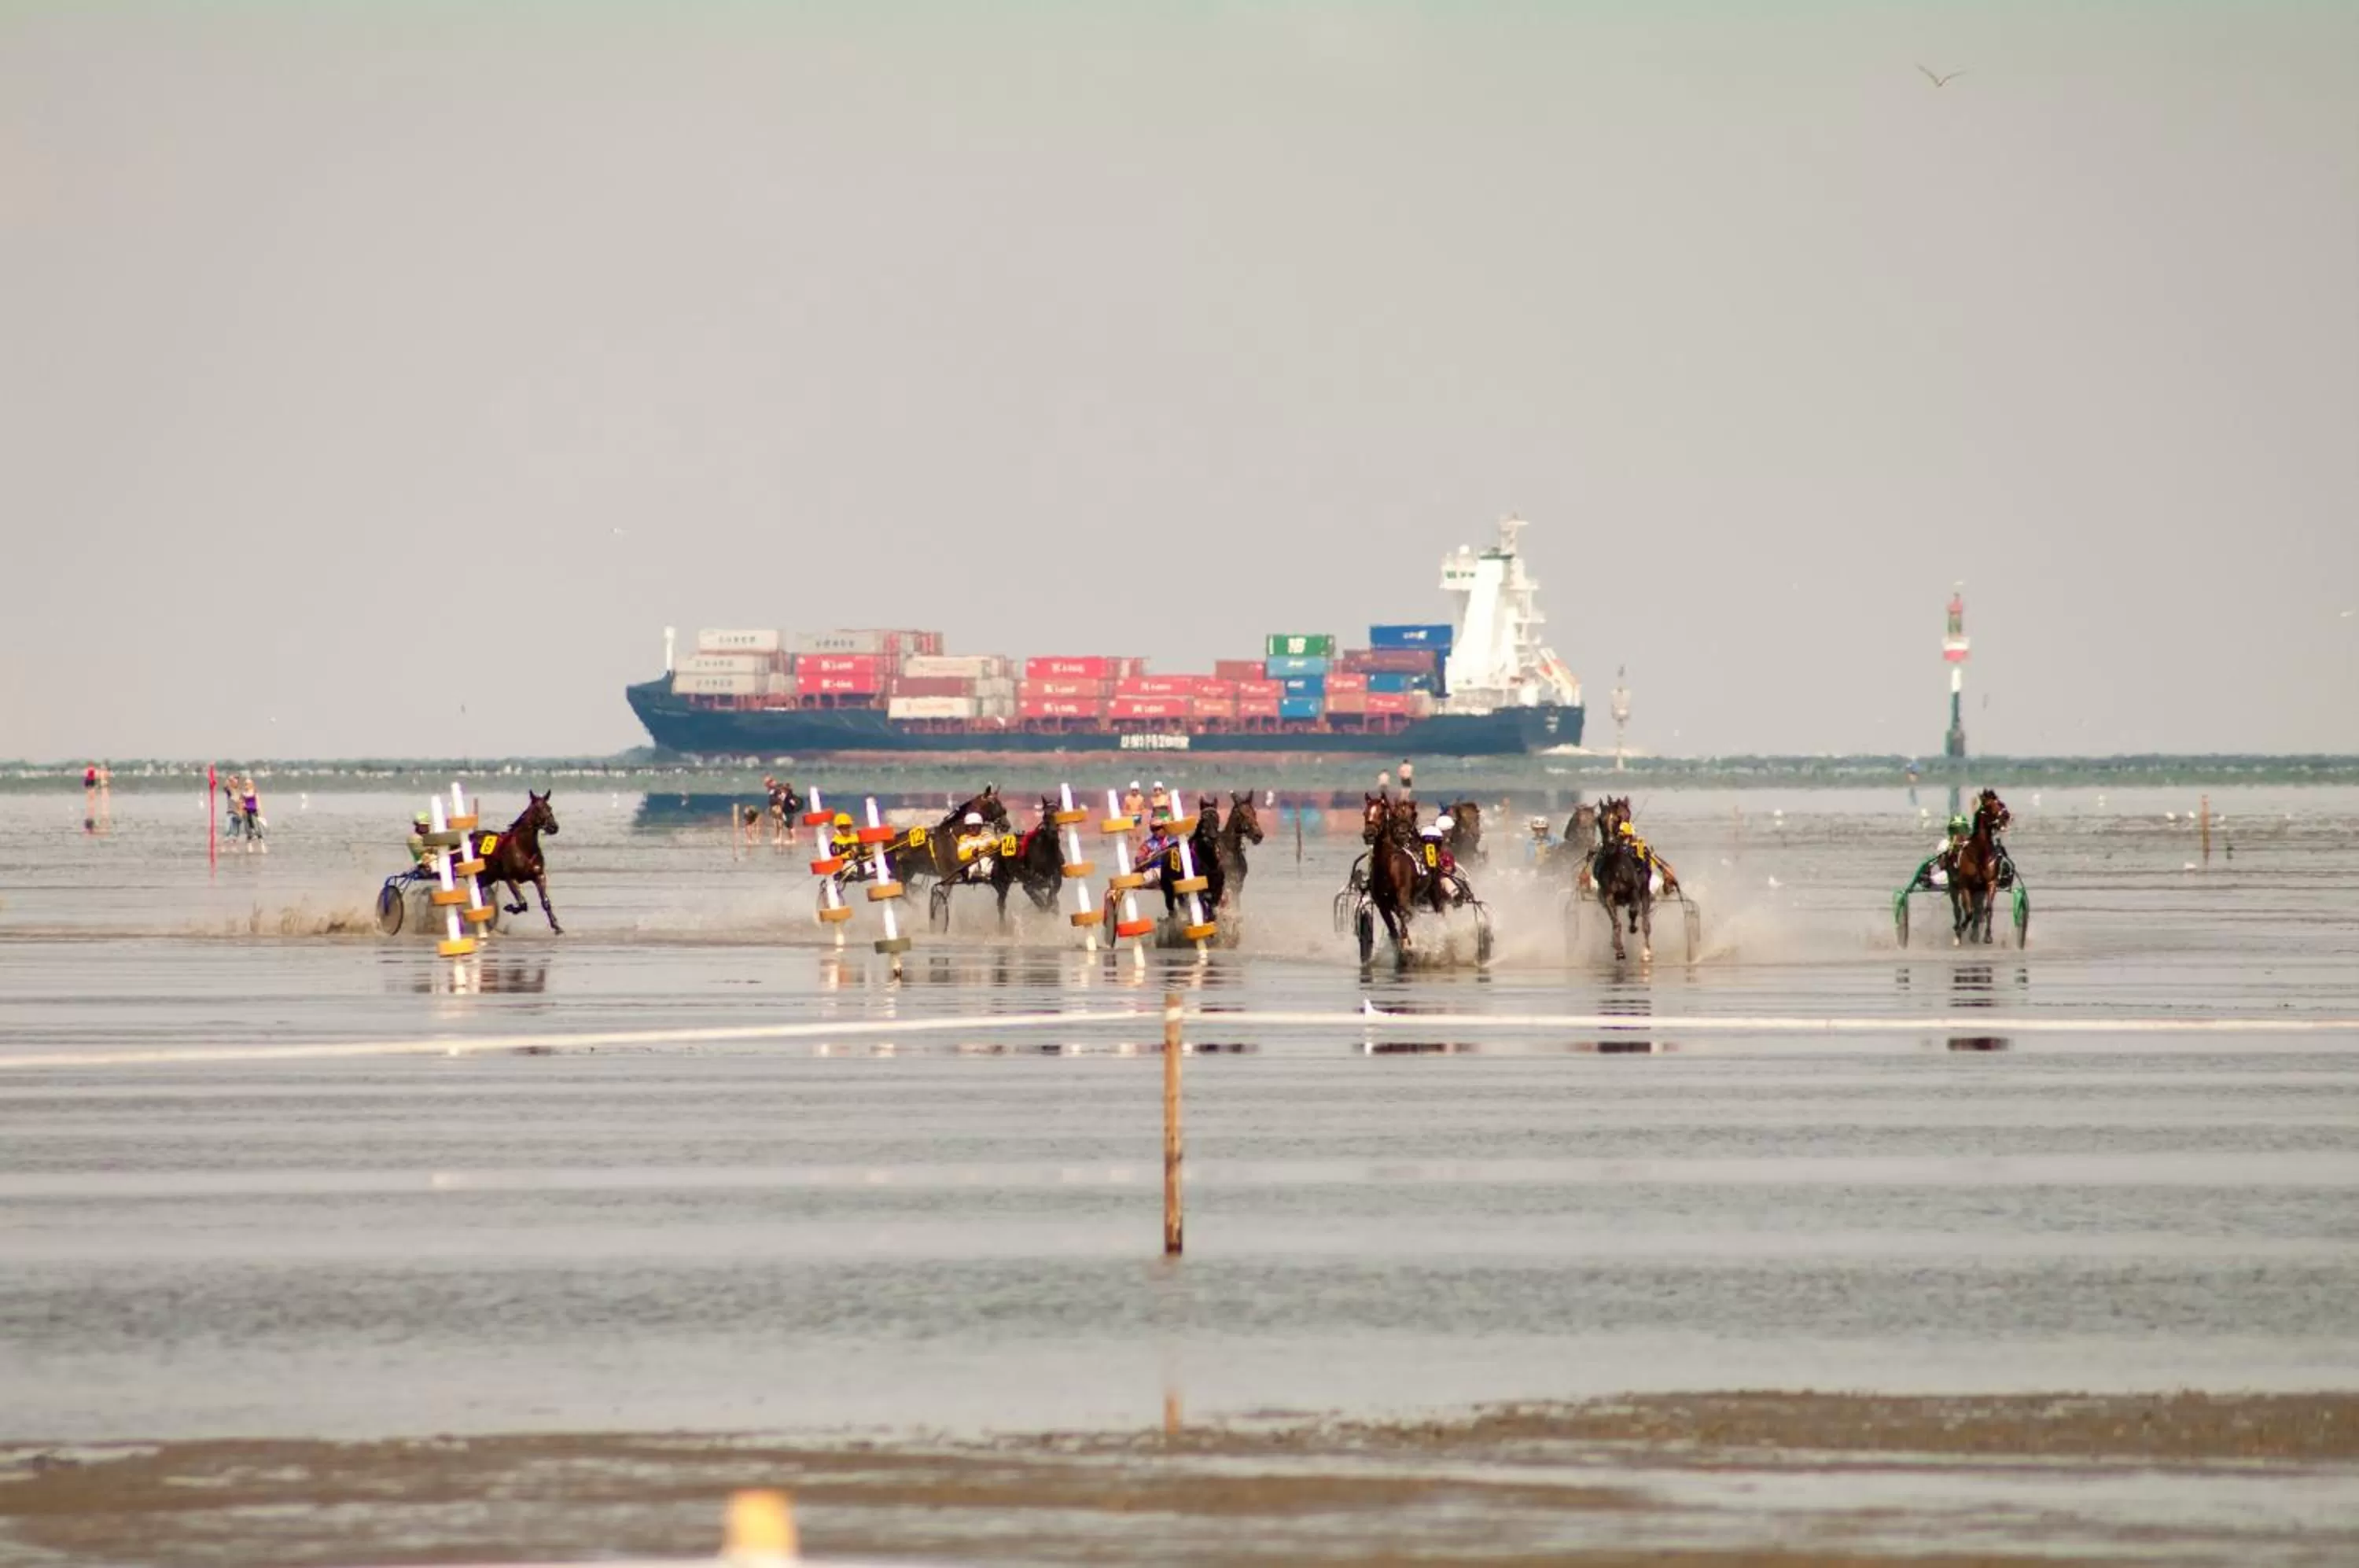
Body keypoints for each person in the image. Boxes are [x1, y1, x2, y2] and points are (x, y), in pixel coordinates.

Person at [954, 810, 996, 875]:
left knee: (987, 863)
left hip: (987, 860)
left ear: (980, 826)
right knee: (973, 868)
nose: (972, 829)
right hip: (971, 863)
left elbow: (998, 846)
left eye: (975, 826)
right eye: (969, 826)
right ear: (966, 827)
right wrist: (972, 853)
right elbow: (961, 856)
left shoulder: (987, 836)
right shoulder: (964, 839)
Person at [241, 775, 266, 853]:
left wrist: (261, 813)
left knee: (257, 829)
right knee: (248, 830)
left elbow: (258, 802)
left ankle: (262, 846)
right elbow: (241, 803)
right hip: (246, 812)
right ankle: (249, 847)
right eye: (245, 784)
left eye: (248, 783)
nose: (246, 785)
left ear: (251, 784)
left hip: (254, 812)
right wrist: (242, 807)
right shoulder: (243, 793)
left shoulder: (254, 792)